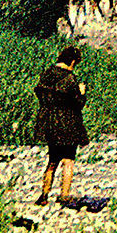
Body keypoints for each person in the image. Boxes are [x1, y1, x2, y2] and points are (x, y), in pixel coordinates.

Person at [33, 44, 88, 205]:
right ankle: (64, 195)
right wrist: (82, 92)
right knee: (68, 159)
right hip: (68, 123)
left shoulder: (46, 74)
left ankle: (44, 194)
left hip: (49, 121)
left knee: (52, 160)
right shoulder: (70, 79)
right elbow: (77, 103)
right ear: (72, 61)